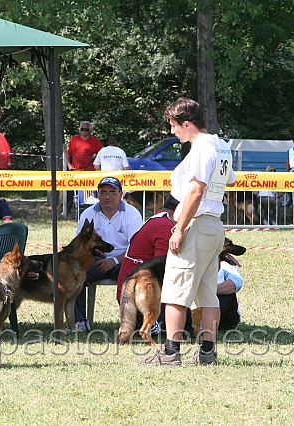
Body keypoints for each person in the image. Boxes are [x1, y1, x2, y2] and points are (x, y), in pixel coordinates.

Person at [142, 97, 236, 367]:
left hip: (196, 224)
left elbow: (196, 190)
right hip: (214, 226)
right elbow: (231, 179)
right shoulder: (221, 146)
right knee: (207, 293)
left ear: (187, 123)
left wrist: (179, 228)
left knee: (174, 291)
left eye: (174, 126)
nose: (172, 132)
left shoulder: (201, 149)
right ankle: (207, 352)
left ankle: (170, 353)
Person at [74, 176, 143, 331]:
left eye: (112, 192)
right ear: (97, 194)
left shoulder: (132, 214)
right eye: (103, 192)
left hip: (125, 260)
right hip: (95, 260)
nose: (107, 196)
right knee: (74, 275)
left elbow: (137, 248)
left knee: (134, 277)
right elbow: (80, 246)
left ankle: (135, 324)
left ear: (121, 194)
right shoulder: (87, 214)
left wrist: (114, 261)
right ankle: (79, 322)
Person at [117, 194, 181, 334]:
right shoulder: (165, 227)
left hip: (130, 291)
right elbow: (163, 267)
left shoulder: (159, 218)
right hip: (138, 293)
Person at [66, 121, 103, 213]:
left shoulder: (94, 141)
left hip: (89, 172)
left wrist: (96, 155)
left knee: (90, 194)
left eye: (86, 130)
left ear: (90, 130)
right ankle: (68, 210)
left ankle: (93, 210)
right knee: (69, 192)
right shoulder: (74, 139)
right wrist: (69, 165)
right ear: (79, 130)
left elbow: (103, 152)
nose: (84, 131)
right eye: (82, 129)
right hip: (75, 171)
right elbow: (68, 154)